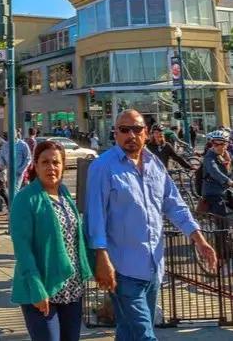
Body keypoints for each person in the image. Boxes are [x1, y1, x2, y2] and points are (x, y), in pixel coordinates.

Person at [85, 109, 217, 340]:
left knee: (128, 332)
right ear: (115, 133)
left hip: (153, 267)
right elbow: (95, 217)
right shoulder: (103, 167)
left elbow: (175, 204)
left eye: (136, 129)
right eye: (124, 130)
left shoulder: (155, 163)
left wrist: (199, 239)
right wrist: (101, 258)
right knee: (145, 334)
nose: (131, 135)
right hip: (122, 268)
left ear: (146, 133)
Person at [11, 140, 92, 341]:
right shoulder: (26, 198)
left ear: (63, 165)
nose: (51, 167)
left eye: (56, 162)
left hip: (71, 287)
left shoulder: (64, 193)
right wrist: (36, 287)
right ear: (35, 165)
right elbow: (23, 249)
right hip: (42, 288)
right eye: (45, 162)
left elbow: (75, 239)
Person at [201, 129, 233, 217]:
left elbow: (229, 172)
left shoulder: (225, 156)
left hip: (223, 191)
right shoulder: (209, 157)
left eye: (222, 144)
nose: (219, 146)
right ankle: (222, 230)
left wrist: (228, 161)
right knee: (222, 222)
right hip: (212, 193)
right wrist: (229, 182)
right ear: (212, 144)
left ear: (227, 144)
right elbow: (214, 171)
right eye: (216, 144)